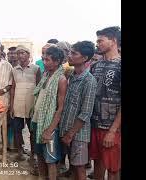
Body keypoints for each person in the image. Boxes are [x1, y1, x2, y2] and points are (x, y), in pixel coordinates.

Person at [59, 41, 97, 180]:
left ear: (85, 58)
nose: (69, 55)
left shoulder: (89, 81)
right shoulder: (71, 76)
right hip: (67, 130)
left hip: (78, 134)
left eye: (74, 53)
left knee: (80, 168)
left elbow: (85, 112)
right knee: (74, 166)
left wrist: (70, 134)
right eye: (70, 52)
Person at [31, 46, 68, 180]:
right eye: (43, 59)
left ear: (57, 61)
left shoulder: (61, 80)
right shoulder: (46, 75)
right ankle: (42, 177)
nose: (44, 62)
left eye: (47, 60)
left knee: (50, 159)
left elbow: (60, 108)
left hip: (49, 125)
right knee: (39, 154)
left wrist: (50, 130)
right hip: (38, 121)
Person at [89, 26, 121, 180]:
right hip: (94, 125)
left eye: (101, 41)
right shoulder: (95, 66)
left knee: (113, 168)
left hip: (112, 129)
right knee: (98, 164)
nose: (98, 44)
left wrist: (112, 131)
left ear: (113, 41)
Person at [10, 45, 41, 162]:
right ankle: (19, 151)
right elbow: (13, 88)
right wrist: (12, 106)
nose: (20, 55)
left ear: (28, 54)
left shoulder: (36, 69)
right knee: (17, 130)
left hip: (31, 104)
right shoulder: (14, 70)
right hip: (17, 104)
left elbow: (39, 87)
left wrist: (37, 105)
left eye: (22, 53)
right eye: (18, 53)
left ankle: (33, 153)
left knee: (32, 130)